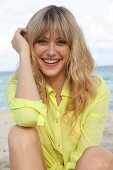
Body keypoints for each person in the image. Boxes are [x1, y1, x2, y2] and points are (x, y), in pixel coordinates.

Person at [6, 5, 113, 170]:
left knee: (97, 156)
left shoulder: (95, 89)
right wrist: (23, 53)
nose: (50, 51)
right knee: (20, 134)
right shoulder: (18, 85)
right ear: (30, 45)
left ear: (73, 47)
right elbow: (27, 117)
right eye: (41, 41)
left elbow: (85, 155)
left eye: (61, 42)